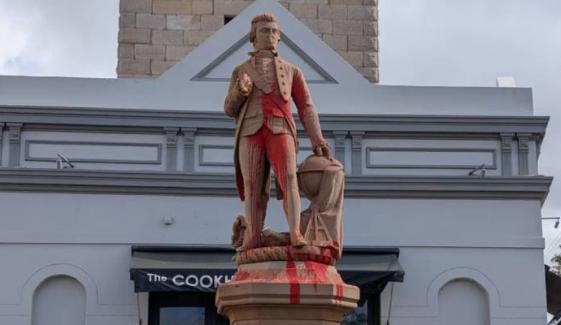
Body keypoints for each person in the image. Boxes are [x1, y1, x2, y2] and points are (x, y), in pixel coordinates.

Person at [224, 13, 330, 251]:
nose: (270, 36)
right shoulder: (240, 70)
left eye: (274, 32)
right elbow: (229, 109)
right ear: (253, 36)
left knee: (289, 179)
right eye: (264, 31)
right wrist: (240, 92)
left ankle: (295, 233)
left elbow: (306, 106)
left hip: (281, 128)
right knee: (252, 185)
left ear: (279, 38)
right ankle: (252, 236)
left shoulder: (292, 70)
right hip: (250, 131)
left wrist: (317, 138)